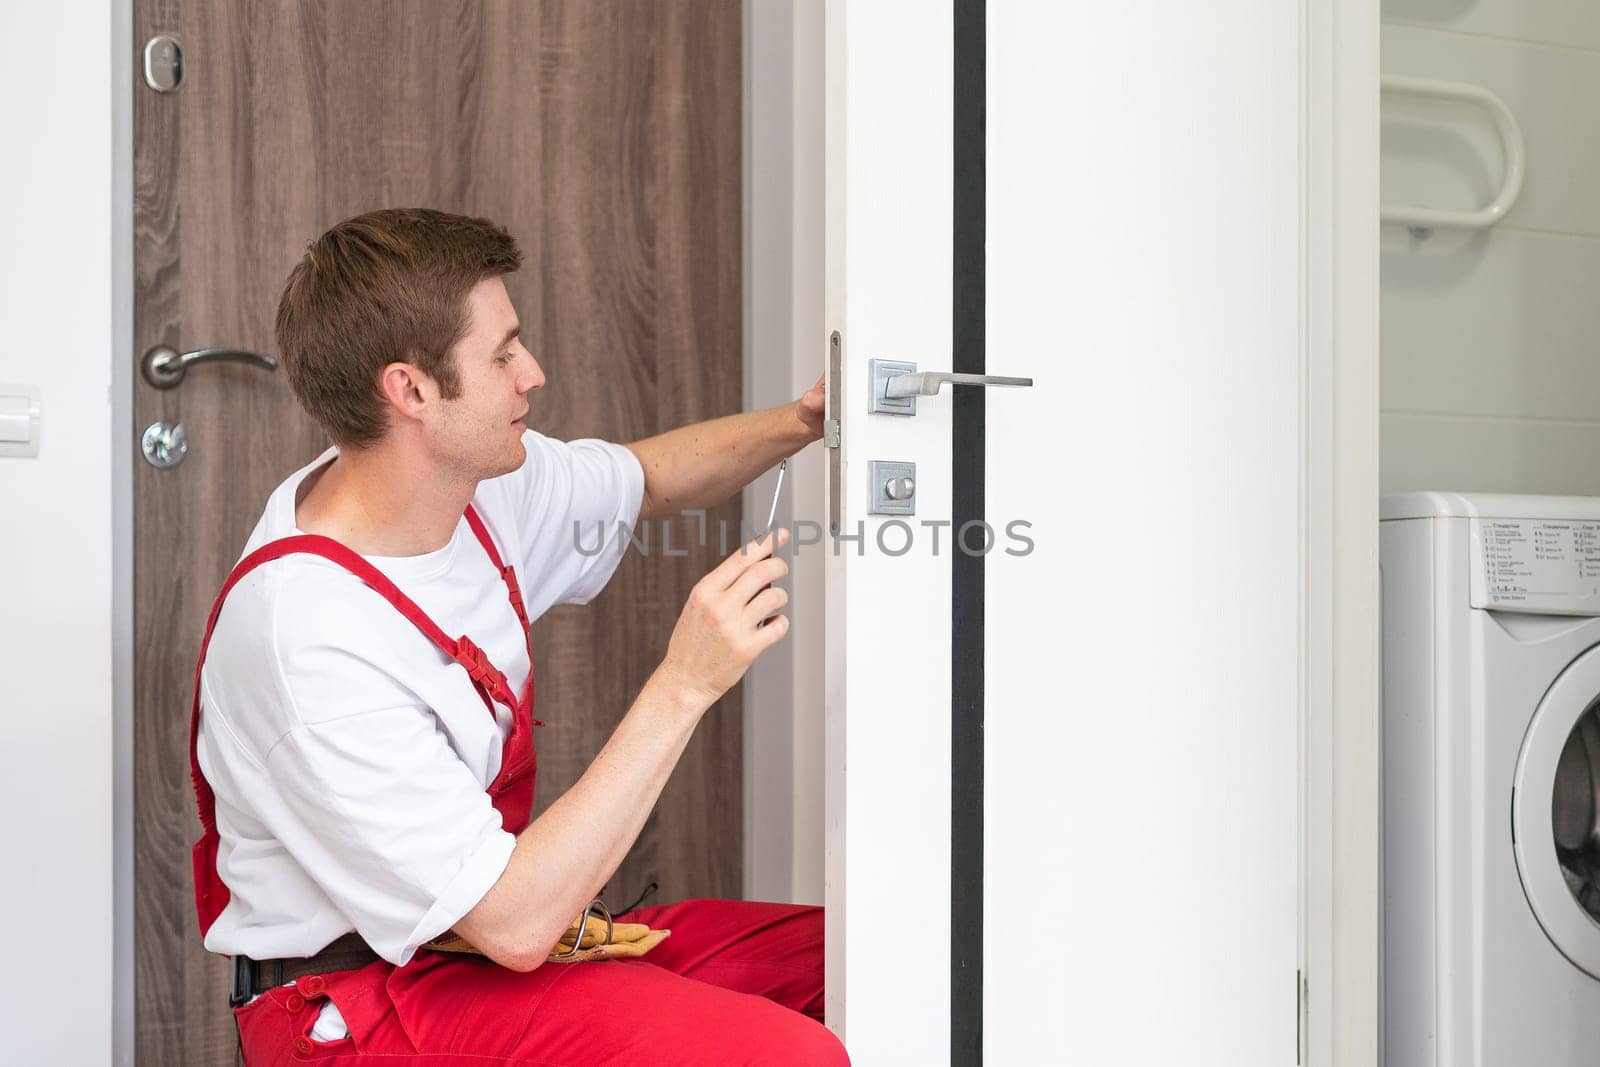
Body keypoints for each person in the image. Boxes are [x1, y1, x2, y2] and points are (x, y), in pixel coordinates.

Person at [187, 207, 846, 1064]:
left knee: (851, 955)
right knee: (784, 1055)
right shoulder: (307, 638)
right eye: (502, 353)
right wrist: (686, 682)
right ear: (412, 390)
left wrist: (805, 423)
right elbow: (517, 921)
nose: (531, 373)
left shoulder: (469, 489)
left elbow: (645, 478)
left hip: (478, 947)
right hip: (354, 1003)